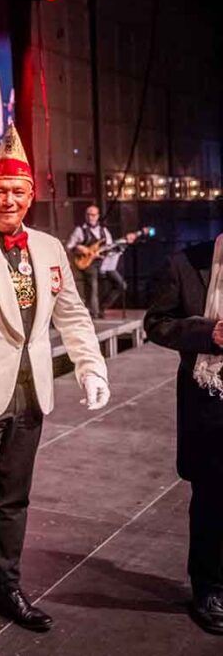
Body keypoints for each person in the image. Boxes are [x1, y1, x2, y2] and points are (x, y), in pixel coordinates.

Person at [0, 125, 110, 656]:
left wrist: (90, 368)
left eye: (18, 191)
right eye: (0, 191)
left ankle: (6, 590)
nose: (9, 200)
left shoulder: (48, 247)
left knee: (14, 501)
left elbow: (73, 314)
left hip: (32, 393)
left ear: (30, 195)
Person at [144, 234, 223, 636]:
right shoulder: (185, 263)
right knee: (212, 500)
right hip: (211, 401)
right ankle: (208, 588)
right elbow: (156, 323)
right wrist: (209, 333)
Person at [66, 204, 113, 318]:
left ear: (98, 216)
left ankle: (101, 307)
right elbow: (69, 246)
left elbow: (110, 246)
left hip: (103, 262)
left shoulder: (103, 230)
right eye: (88, 215)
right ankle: (93, 312)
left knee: (119, 284)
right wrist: (79, 248)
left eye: (93, 215)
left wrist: (104, 253)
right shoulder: (80, 230)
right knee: (93, 285)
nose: (90, 217)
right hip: (87, 263)